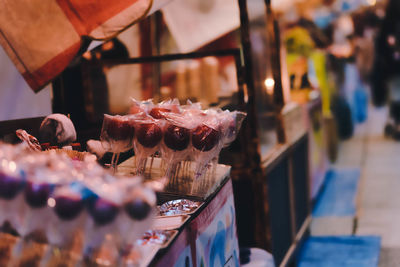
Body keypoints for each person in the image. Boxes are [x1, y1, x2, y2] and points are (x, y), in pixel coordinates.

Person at [370, 0, 400, 139]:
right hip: (393, 65)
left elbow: (380, 45)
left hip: (393, 66)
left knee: (395, 94)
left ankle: (397, 124)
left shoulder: (388, 22)